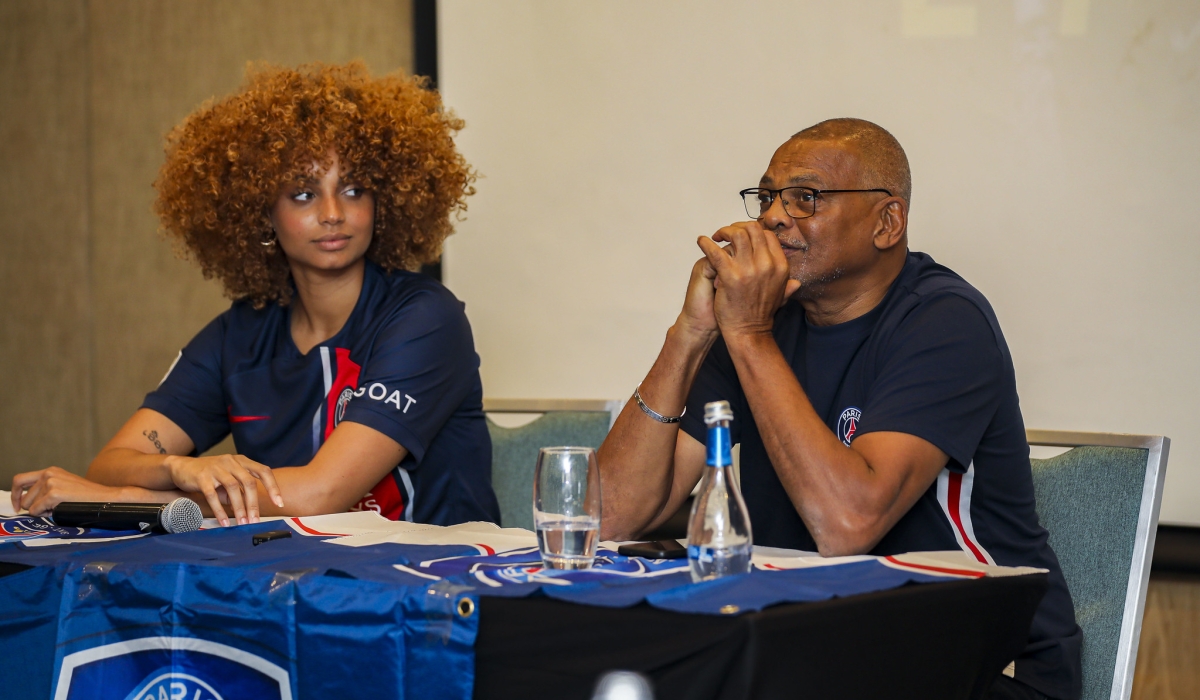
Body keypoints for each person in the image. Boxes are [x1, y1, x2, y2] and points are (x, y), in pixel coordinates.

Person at [597, 119, 1081, 700]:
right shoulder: (760, 327)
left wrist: (748, 332)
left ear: (887, 223)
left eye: (806, 198)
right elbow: (609, 518)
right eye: (768, 197)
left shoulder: (945, 322)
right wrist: (690, 334)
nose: (774, 217)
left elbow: (846, 524)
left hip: (974, 663)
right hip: (816, 645)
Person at [11, 62, 500, 529]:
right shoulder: (240, 334)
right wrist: (177, 469)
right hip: (297, 582)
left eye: (354, 189)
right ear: (260, 212)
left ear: (383, 201)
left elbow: (317, 496)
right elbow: (112, 462)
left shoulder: (426, 318)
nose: (333, 213)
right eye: (303, 194)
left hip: (436, 588)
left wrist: (130, 500)